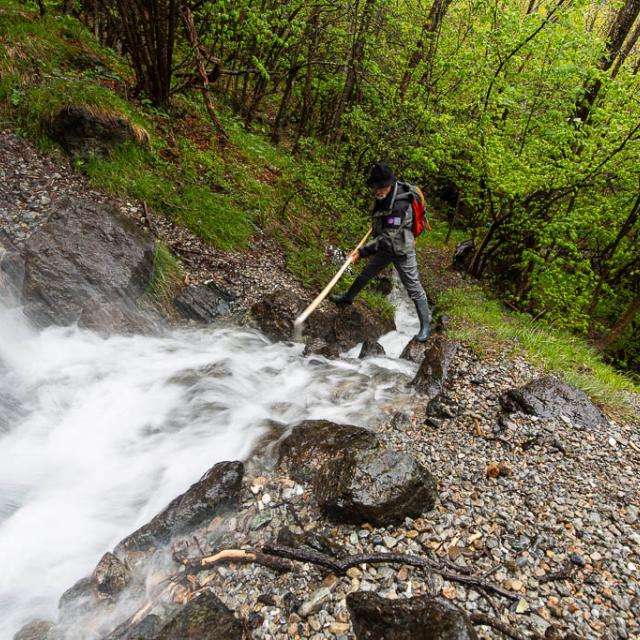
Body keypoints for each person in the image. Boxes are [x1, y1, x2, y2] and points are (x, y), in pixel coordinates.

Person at [331, 161, 431, 342]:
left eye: (380, 187)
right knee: (366, 273)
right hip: (385, 246)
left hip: (401, 249)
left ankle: (425, 327)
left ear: (389, 185)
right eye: (375, 187)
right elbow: (383, 223)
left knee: (413, 288)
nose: (376, 191)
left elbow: (388, 238)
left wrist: (361, 252)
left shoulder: (400, 203)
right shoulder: (384, 195)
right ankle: (348, 297)